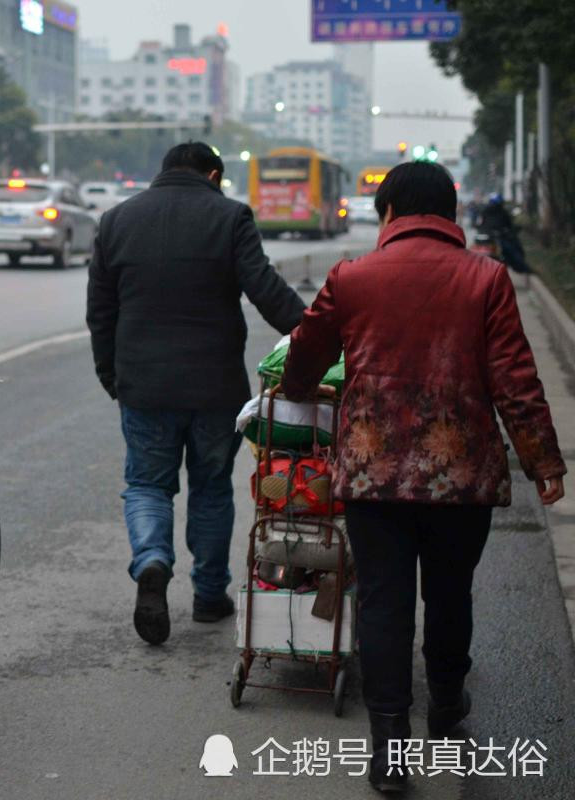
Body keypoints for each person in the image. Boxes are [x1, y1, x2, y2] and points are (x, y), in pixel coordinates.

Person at [282, 161, 565, 793]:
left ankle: (388, 750)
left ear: (386, 213)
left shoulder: (351, 277)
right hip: (460, 475)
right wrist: (543, 460)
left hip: (373, 475)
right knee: (450, 592)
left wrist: (300, 389)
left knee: (383, 602)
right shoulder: (486, 278)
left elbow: (305, 351)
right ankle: (444, 705)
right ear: (450, 214)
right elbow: (515, 379)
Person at [86, 141, 306, 645]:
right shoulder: (229, 217)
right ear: (212, 175)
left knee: (147, 485)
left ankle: (152, 562)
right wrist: (316, 334)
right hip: (216, 387)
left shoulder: (117, 220)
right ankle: (209, 596)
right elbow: (265, 288)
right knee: (211, 486)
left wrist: (111, 376)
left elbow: (100, 311)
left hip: (143, 385)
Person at [478, 193, 530, 273]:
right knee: (513, 251)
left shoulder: (486, 211)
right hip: (495, 238)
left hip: (491, 237)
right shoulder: (501, 212)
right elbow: (509, 225)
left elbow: (480, 224)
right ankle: (522, 268)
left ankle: (522, 267)